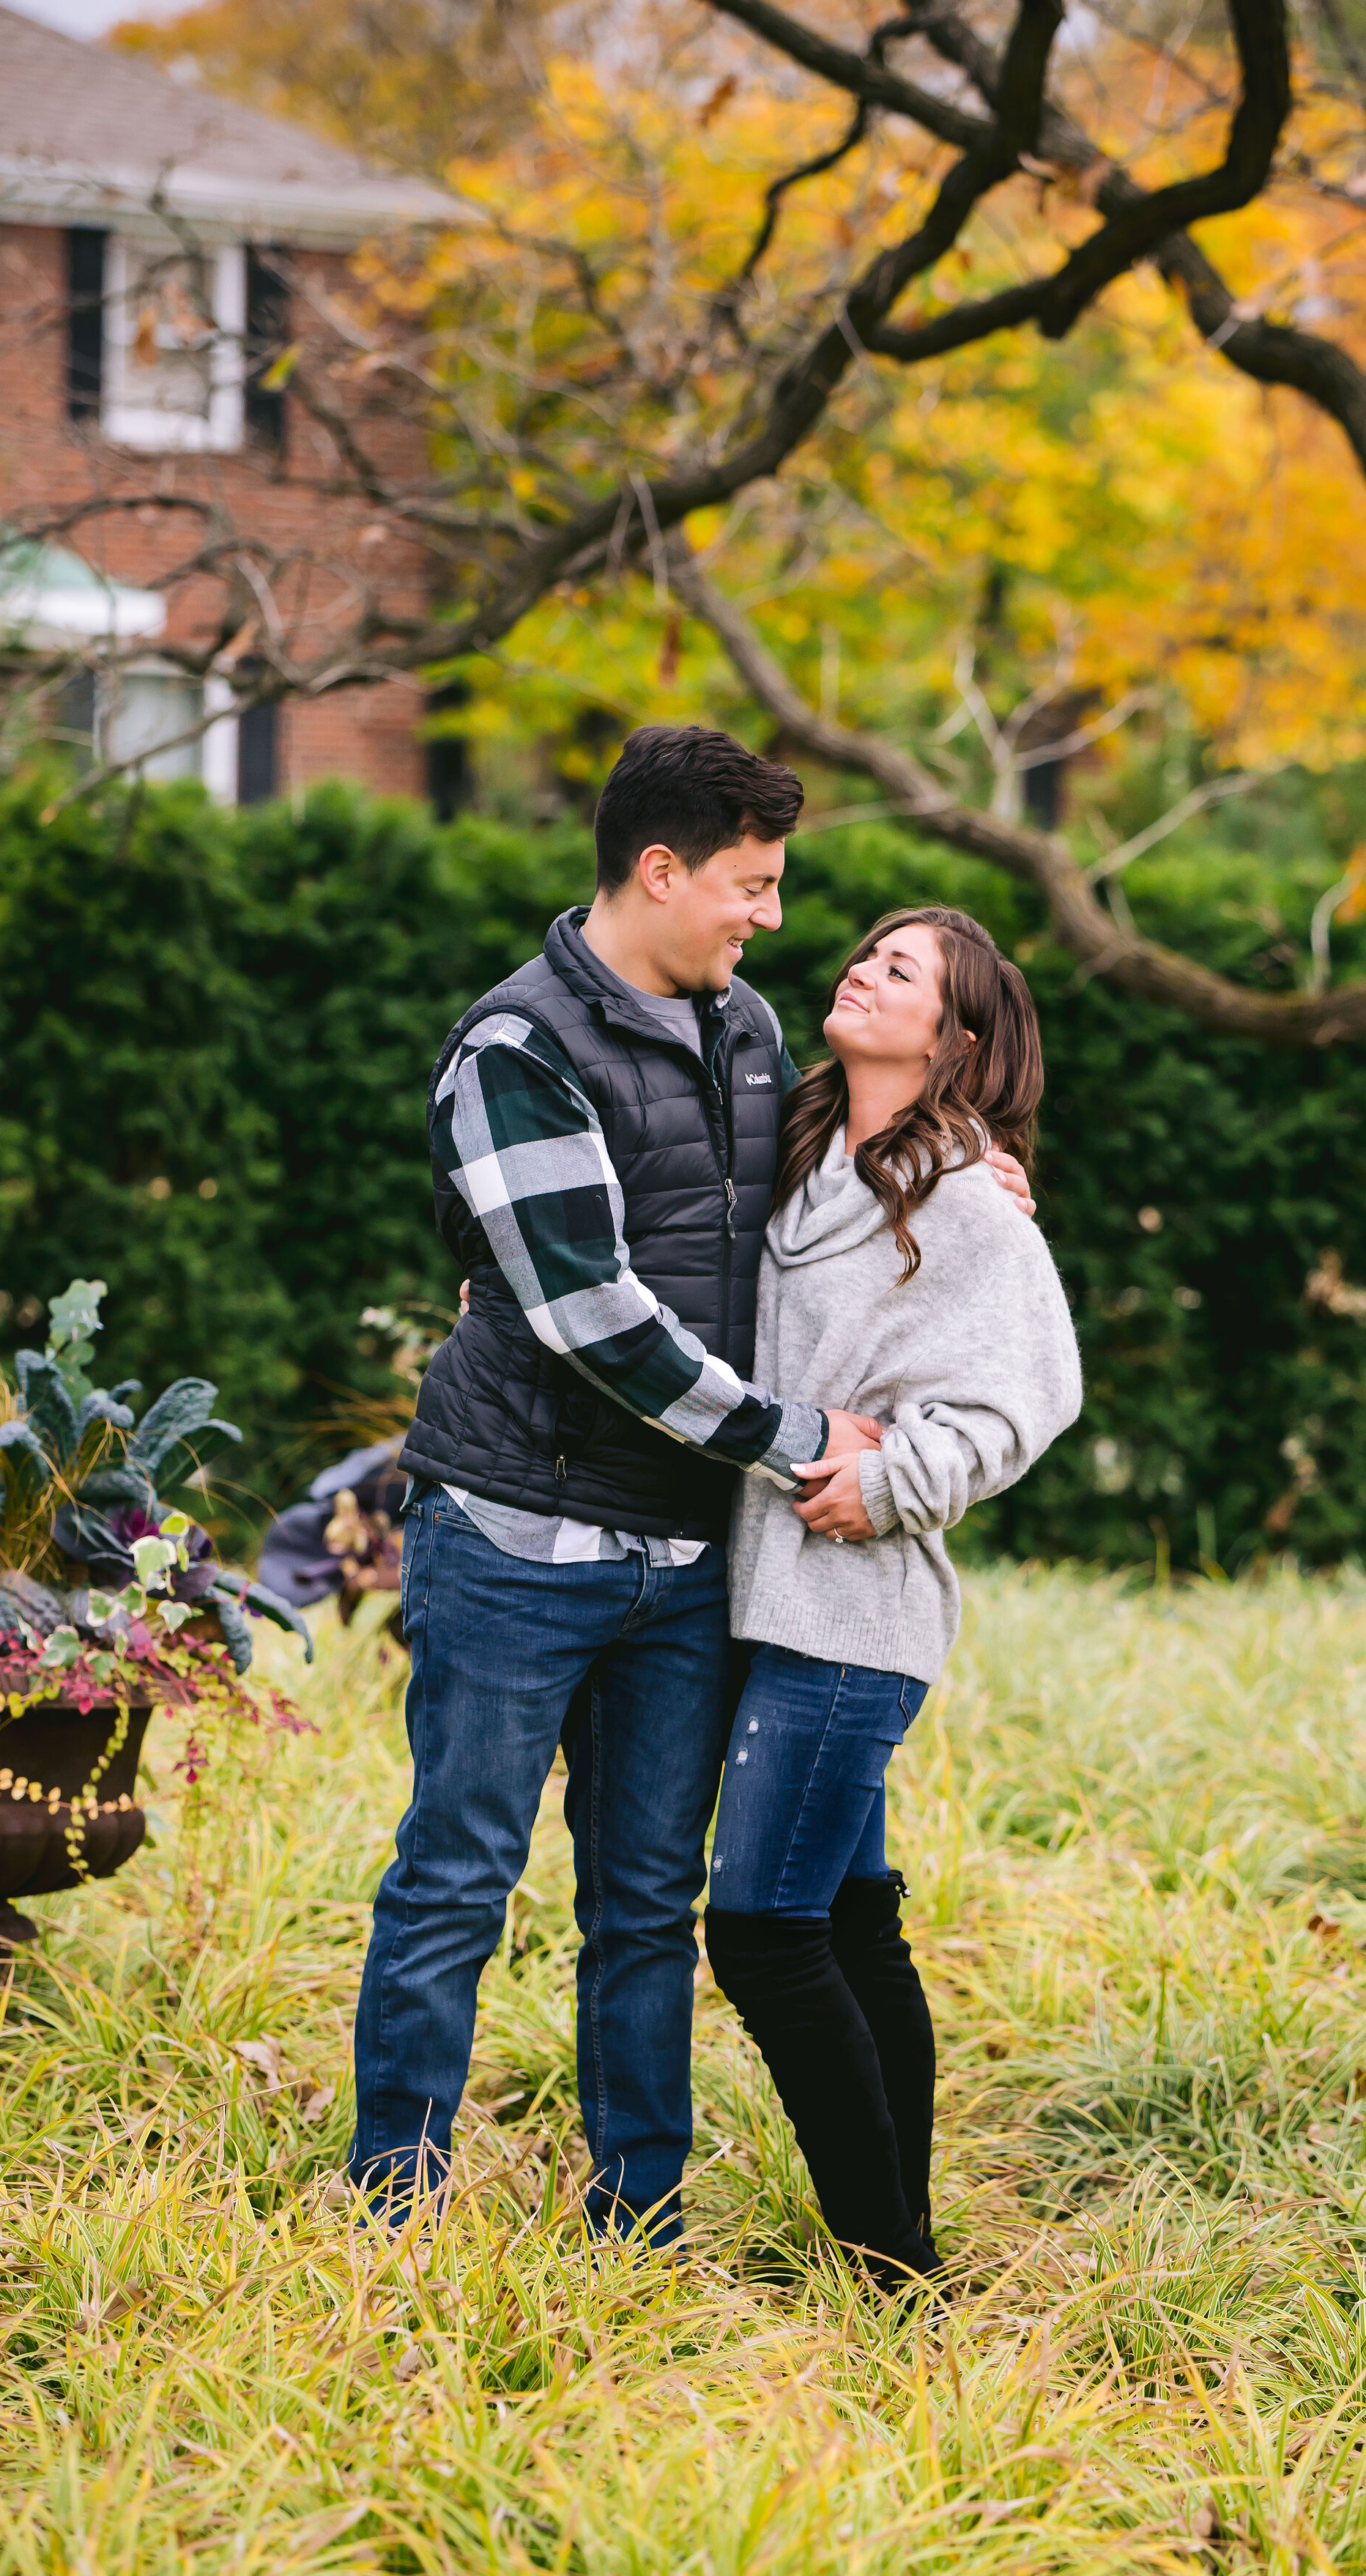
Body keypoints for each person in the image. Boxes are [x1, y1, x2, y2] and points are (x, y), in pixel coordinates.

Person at [349, 729, 1028, 2243]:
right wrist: (795, 1438)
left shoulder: (741, 1027)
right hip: (517, 1529)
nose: (770, 917)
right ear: (658, 870)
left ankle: (634, 2213)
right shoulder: (514, 1053)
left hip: (679, 1555)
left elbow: (832, 1176)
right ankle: (387, 2202)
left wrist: (972, 1161)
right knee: (458, 1875)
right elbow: (589, 1312)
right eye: (751, 883)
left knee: (646, 1904)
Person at [709, 906, 1082, 2287]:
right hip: (761, 1597)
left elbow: (1029, 1393)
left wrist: (895, 1480)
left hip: (852, 1610)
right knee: (854, 1920)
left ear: (957, 1037)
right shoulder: (814, 1159)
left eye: (902, 969)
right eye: (867, 950)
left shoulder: (970, 1202)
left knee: (759, 1930)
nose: (863, 968)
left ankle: (890, 2261)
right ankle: (900, 2240)